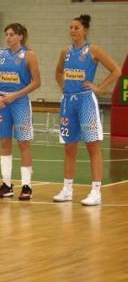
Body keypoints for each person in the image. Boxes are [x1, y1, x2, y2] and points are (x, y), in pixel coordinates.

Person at [53, 14, 121, 206]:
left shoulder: (93, 50)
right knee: (69, 146)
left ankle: (96, 192)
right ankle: (67, 189)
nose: (72, 30)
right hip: (68, 101)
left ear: (85, 30)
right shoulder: (65, 51)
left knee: (92, 145)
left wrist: (99, 87)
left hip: (86, 102)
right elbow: (58, 72)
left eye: (76, 27)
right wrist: (62, 86)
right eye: (70, 27)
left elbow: (116, 70)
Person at [0, 23, 41, 201]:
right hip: (2, 103)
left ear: (20, 36)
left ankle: (27, 186)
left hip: (19, 102)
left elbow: (36, 82)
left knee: (23, 143)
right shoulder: (0, 55)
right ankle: (6, 184)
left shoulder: (29, 55)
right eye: (6, 34)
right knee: (4, 142)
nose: (8, 37)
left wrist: (15, 95)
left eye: (11, 34)